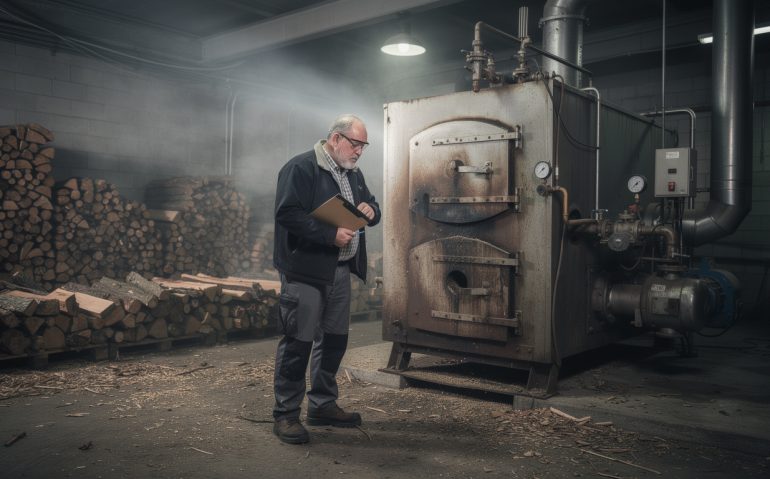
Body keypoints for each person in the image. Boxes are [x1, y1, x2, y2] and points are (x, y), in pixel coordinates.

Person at [271, 114, 381, 444]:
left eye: (364, 146)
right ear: (335, 139)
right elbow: (287, 213)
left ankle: (321, 404)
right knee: (298, 342)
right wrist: (328, 234)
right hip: (305, 272)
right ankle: (286, 414)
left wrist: (372, 211)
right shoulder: (301, 168)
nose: (360, 151)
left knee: (334, 341)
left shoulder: (354, 174)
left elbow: (370, 205)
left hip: (340, 271)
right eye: (355, 144)